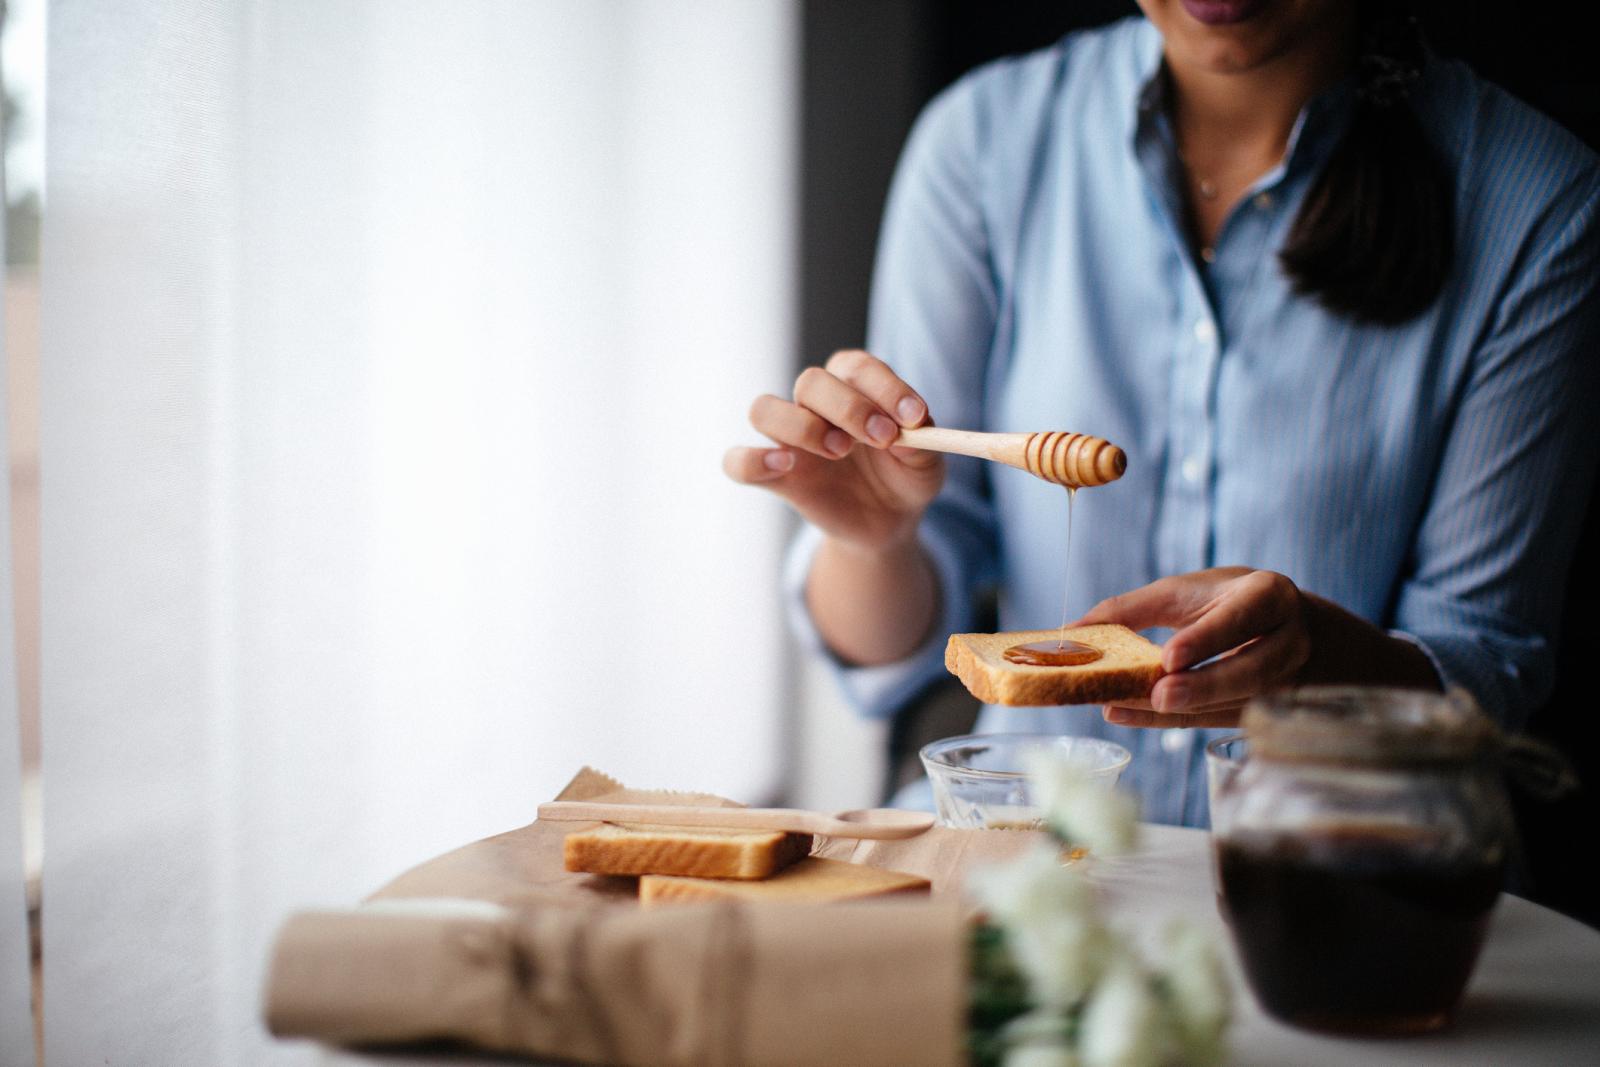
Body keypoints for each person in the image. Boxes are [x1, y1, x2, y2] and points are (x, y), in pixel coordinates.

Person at [724, 0, 1600, 825]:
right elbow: (893, 656)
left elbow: (1487, 666)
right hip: (1028, 856)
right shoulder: (982, 143)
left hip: (1335, 879)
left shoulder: (1532, 201)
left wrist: (1327, 663)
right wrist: (873, 540)